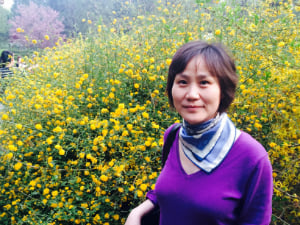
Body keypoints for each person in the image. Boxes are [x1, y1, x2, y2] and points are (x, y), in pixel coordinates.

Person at [125, 40, 273, 225]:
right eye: (182, 82)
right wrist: (137, 212)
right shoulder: (173, 136)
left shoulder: (252, 157)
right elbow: (173, 191)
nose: (192, 94)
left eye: (204, 82)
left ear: (223, 90)